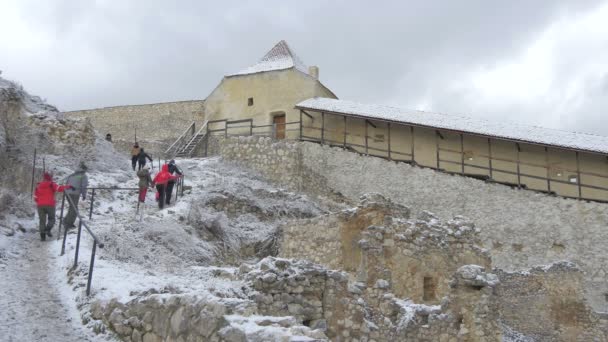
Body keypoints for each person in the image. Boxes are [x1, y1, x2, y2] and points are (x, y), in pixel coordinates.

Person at [34, 172, 70, 241]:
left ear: (43, 178)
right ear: (50, 178)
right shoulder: (51, 184)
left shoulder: (38, 185)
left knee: (42, 220)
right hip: (50, 205)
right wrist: (68, 186)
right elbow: (60, 188)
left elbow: (35, 197)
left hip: (40, 205)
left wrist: (40, 202)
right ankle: (48, 229)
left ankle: (42, 237)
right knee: (52, 219)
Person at [63, 162, 89, 229]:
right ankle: (68, 223)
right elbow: (84, 186)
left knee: (72, 207)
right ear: (84, 169)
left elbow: (66, 182)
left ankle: (66, 220)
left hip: (67, 192)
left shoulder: (73, 174)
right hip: (75, 193)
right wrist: (84, 195)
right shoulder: (83, 176)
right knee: (74, 208)